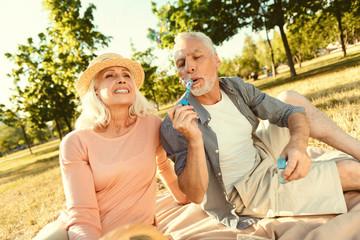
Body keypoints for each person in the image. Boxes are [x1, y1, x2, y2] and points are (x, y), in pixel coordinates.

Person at [160, 32, 360, 230]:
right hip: (247, 191)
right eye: (181, 64)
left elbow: (290, 111)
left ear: (216, 60)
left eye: (197, 57)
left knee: (289, 98)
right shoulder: (175, 124)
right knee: (352, 172)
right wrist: (194, 140)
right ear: (180, 76)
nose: (190, 66)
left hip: (260, 154)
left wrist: (298, 144)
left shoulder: (233, 87)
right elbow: (194, 194)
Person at [34, 53, 188, 240]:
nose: (121, 79)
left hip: (134, 232)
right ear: (96, 90)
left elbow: (163, 166)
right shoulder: (76, 142)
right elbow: (83, 215)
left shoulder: (153, 125)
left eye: (126, 75)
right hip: (78, 232)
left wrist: (186, 197)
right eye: (110, 75)